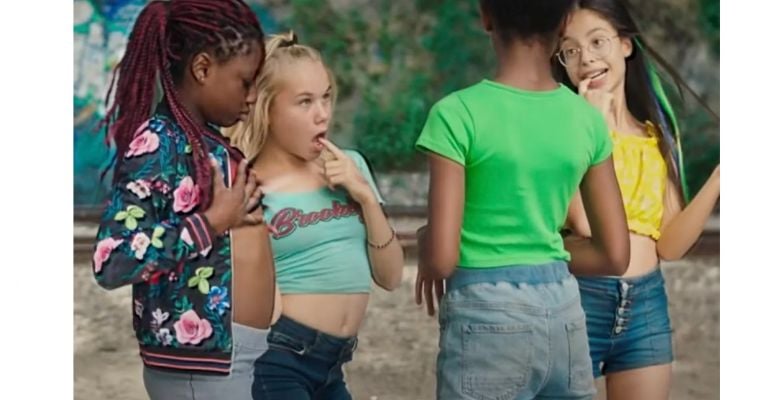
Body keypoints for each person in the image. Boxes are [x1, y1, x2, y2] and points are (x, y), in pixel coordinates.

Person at [414, 1, 631, 398]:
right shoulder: (586, 119)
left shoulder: (456, 115)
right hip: (564, 312)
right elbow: (615, 256)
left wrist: (428, 241)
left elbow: (443, 259)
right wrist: (538, 252)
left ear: (486, 15)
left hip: (485, 312)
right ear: (564, 22)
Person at [91, 1, 275, 398]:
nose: (253, 97)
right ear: (203, 69)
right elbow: (111, 260)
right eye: (245, 82)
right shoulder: (157, 144)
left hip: (236, 362)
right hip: (197, 374)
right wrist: (209, 223)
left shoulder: (207, 144)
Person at [224, 32, 405, 399]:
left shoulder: (350, 166)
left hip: (334, 366)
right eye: (304, 102)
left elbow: (390, 277)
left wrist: (366, 198)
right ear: (267, 110)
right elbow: (252, 306)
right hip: (278, 360)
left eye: (326, 97)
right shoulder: (247, 186)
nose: (322, 114)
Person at [553, 1, 720, 398]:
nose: (586, 58)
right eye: (570, 50)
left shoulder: (655, 135)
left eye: (597, 42)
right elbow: (585, 223)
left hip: (645, 304)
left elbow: (671, 245)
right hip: (578, 299)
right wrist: (591, 128)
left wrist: (719, 177)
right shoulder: (565, 131)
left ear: (626, 44)